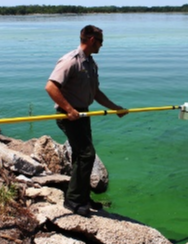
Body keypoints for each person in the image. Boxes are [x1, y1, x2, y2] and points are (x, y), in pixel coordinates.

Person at [46, 25, 127, 217]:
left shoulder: (91, 63)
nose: (102, 45)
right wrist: (69, 109)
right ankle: (73, 201)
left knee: (80, 156)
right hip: (68, 115)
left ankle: (83, 197)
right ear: (91, 40)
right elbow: (51, 87)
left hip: (83, 114)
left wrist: (115, 108)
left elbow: (95, 92)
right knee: (87, 154)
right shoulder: (70, 61)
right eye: (101, 41)